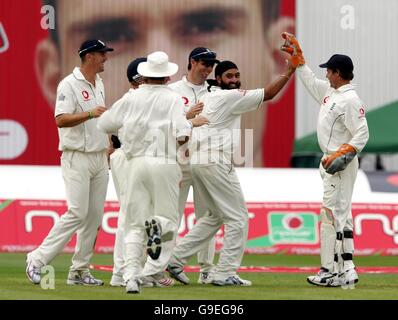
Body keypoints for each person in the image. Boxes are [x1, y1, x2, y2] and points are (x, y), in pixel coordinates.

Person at [38, 0, 294, 167]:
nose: (163, 46)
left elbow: (110, 123)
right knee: (150, 221)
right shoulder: (162, 95)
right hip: (155, 164)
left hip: (193, 163)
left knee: (181, 221)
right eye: (118, 32)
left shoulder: (218, 94)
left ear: (271, 55)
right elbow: (112, 124)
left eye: (205, 25)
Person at [167, 39, 298, 286]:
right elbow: (269, 94)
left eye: (237, 75)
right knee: (238, 217)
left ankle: (174, 259)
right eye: (229, 76)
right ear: (218, 80)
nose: (235, 79)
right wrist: (289, 70)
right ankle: (224, 271)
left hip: (199, 160)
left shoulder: (211, 96)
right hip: (214, 161)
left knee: (214, 216)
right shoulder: (228, 97)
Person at [97, 51, 209, 293]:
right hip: (164, 160)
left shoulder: (132, 98)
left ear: (146, 75)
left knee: (134, 224)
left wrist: (129, 125)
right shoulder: (173, 99)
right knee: (167, 219)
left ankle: (131, 278)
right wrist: (188, 124)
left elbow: (104, 124)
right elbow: (182, 134)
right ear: (167, 77)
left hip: (135, 162)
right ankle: (155, 228)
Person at [281, 33, 369, 288]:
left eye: (329, 71)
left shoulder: (350, 100)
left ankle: (330, 270)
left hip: (339, 163)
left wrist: (345, 152)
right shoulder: (332, 94)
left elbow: (363, 132)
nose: (326, 76)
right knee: (342, 214)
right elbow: (311, 82)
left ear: (338, 73)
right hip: (332, 161)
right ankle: (347, 268)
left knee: (330, 215)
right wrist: (299, 60)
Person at [26, 39, 114, 285]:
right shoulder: (69, 84)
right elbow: (61, 119)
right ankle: (37, 258)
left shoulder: (99, 83)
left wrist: (107, 143)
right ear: (88, 56)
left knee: (94, 217)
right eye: (102, 54)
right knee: (77, 212)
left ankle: (79, 271)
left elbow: (100, 120)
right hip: (76, 156)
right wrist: (88, 113)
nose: (106, 58)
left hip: (98, 157)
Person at [169, 47, 219, 284]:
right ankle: (166, 265)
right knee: (172, 215)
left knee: (207, 215)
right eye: (204, 63)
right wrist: (188, 117)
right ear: (192, 62)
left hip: (206, 160)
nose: (208, 68)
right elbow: (166, 125)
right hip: (179, 161)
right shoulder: (173, 91)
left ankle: (207, 269)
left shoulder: (215, 91)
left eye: (211, 64)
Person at [109, 57, 147, 287]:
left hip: (131, 156)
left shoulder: (134, 98)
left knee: (136, 215)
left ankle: (127, 270)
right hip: (129, 157)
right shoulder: (134, 99)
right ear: (138, 80)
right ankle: (121, 271)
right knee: (130, 214)